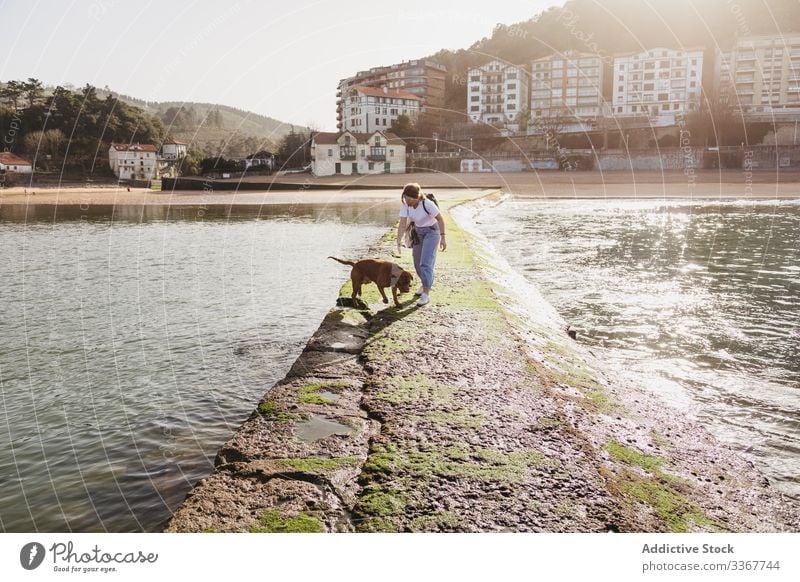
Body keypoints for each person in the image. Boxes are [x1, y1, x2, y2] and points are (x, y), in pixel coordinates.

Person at [395, 182, 446, 306]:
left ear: (416, 197)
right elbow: (402, 224)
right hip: (418, 233)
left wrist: (443, 237)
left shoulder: (427, 204)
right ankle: (425, 283)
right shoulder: (405, 205)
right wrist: (398, 240)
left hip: (432, 232)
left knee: (425, 263)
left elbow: (440, 219)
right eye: (404, 197)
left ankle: (426, 294)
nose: (406, 200)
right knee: (417, 262)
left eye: (408, 198)